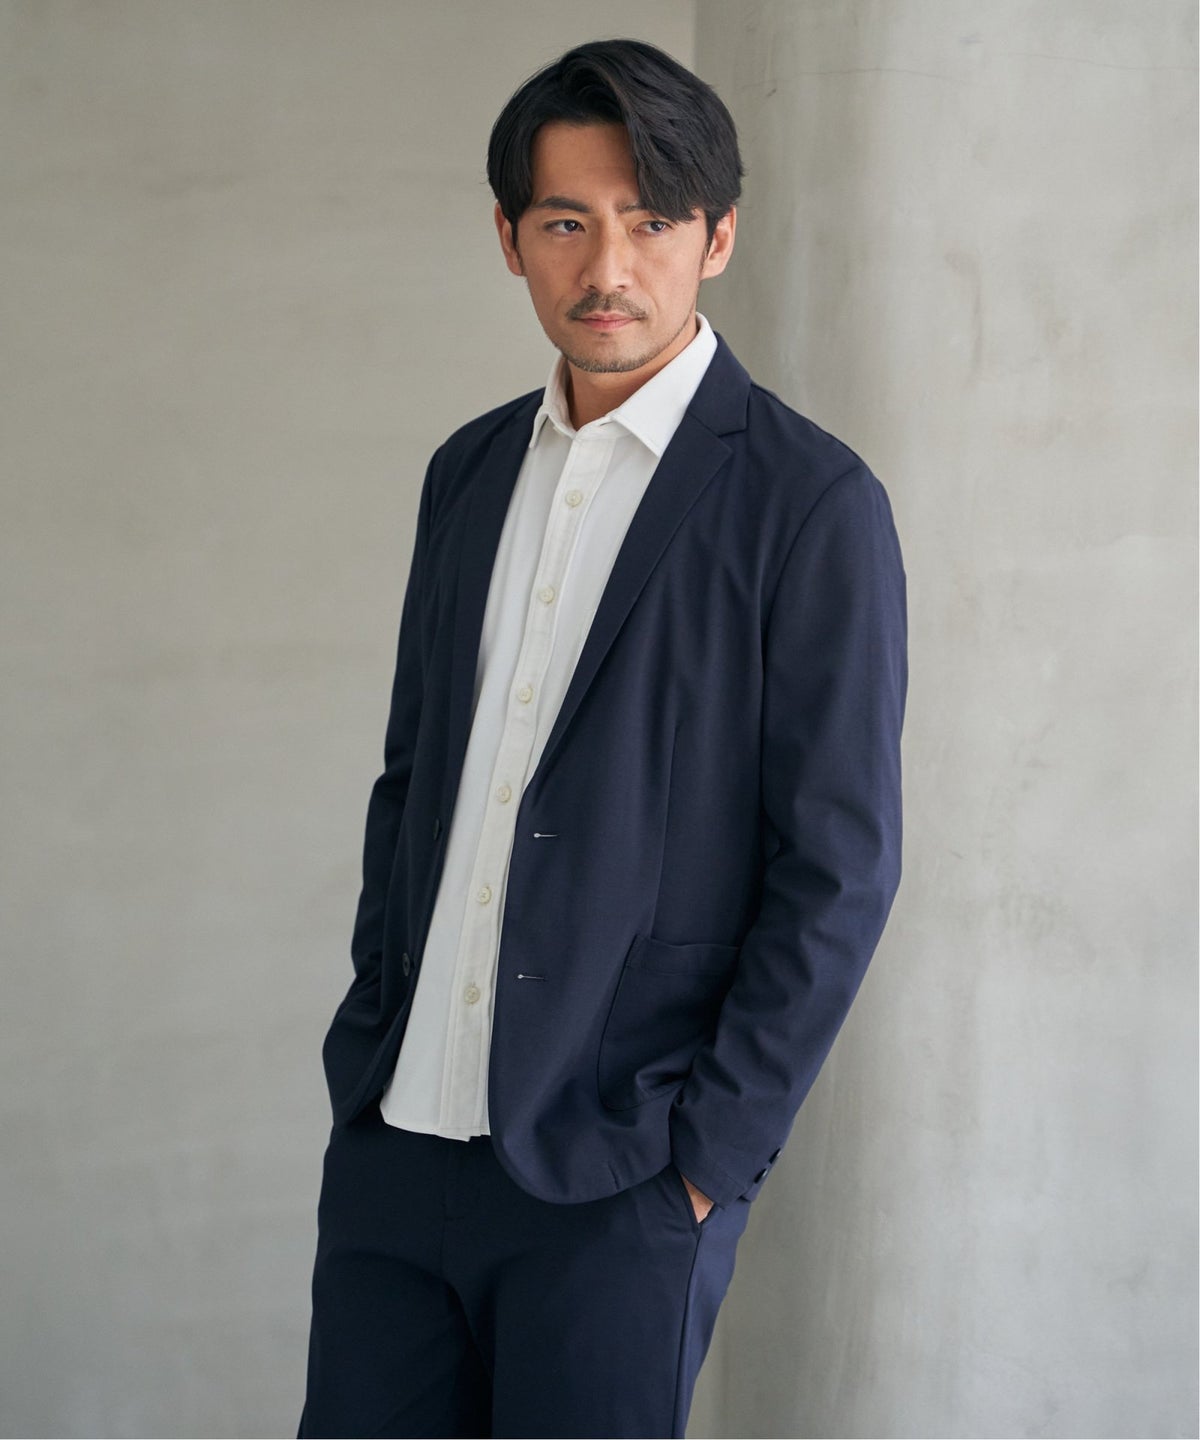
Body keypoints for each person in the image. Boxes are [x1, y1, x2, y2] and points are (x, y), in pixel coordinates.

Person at [299, 37, 906, 1440]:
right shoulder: (466, 474)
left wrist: (707, 1159)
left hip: (622, 1174)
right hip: (399, 1146)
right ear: (510, 238)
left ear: (717, 238)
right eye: (567, 222)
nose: (608, 267)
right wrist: (367, 1050)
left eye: (650, 221)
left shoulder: (810, 505)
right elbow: (414, 781)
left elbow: (839, 868)